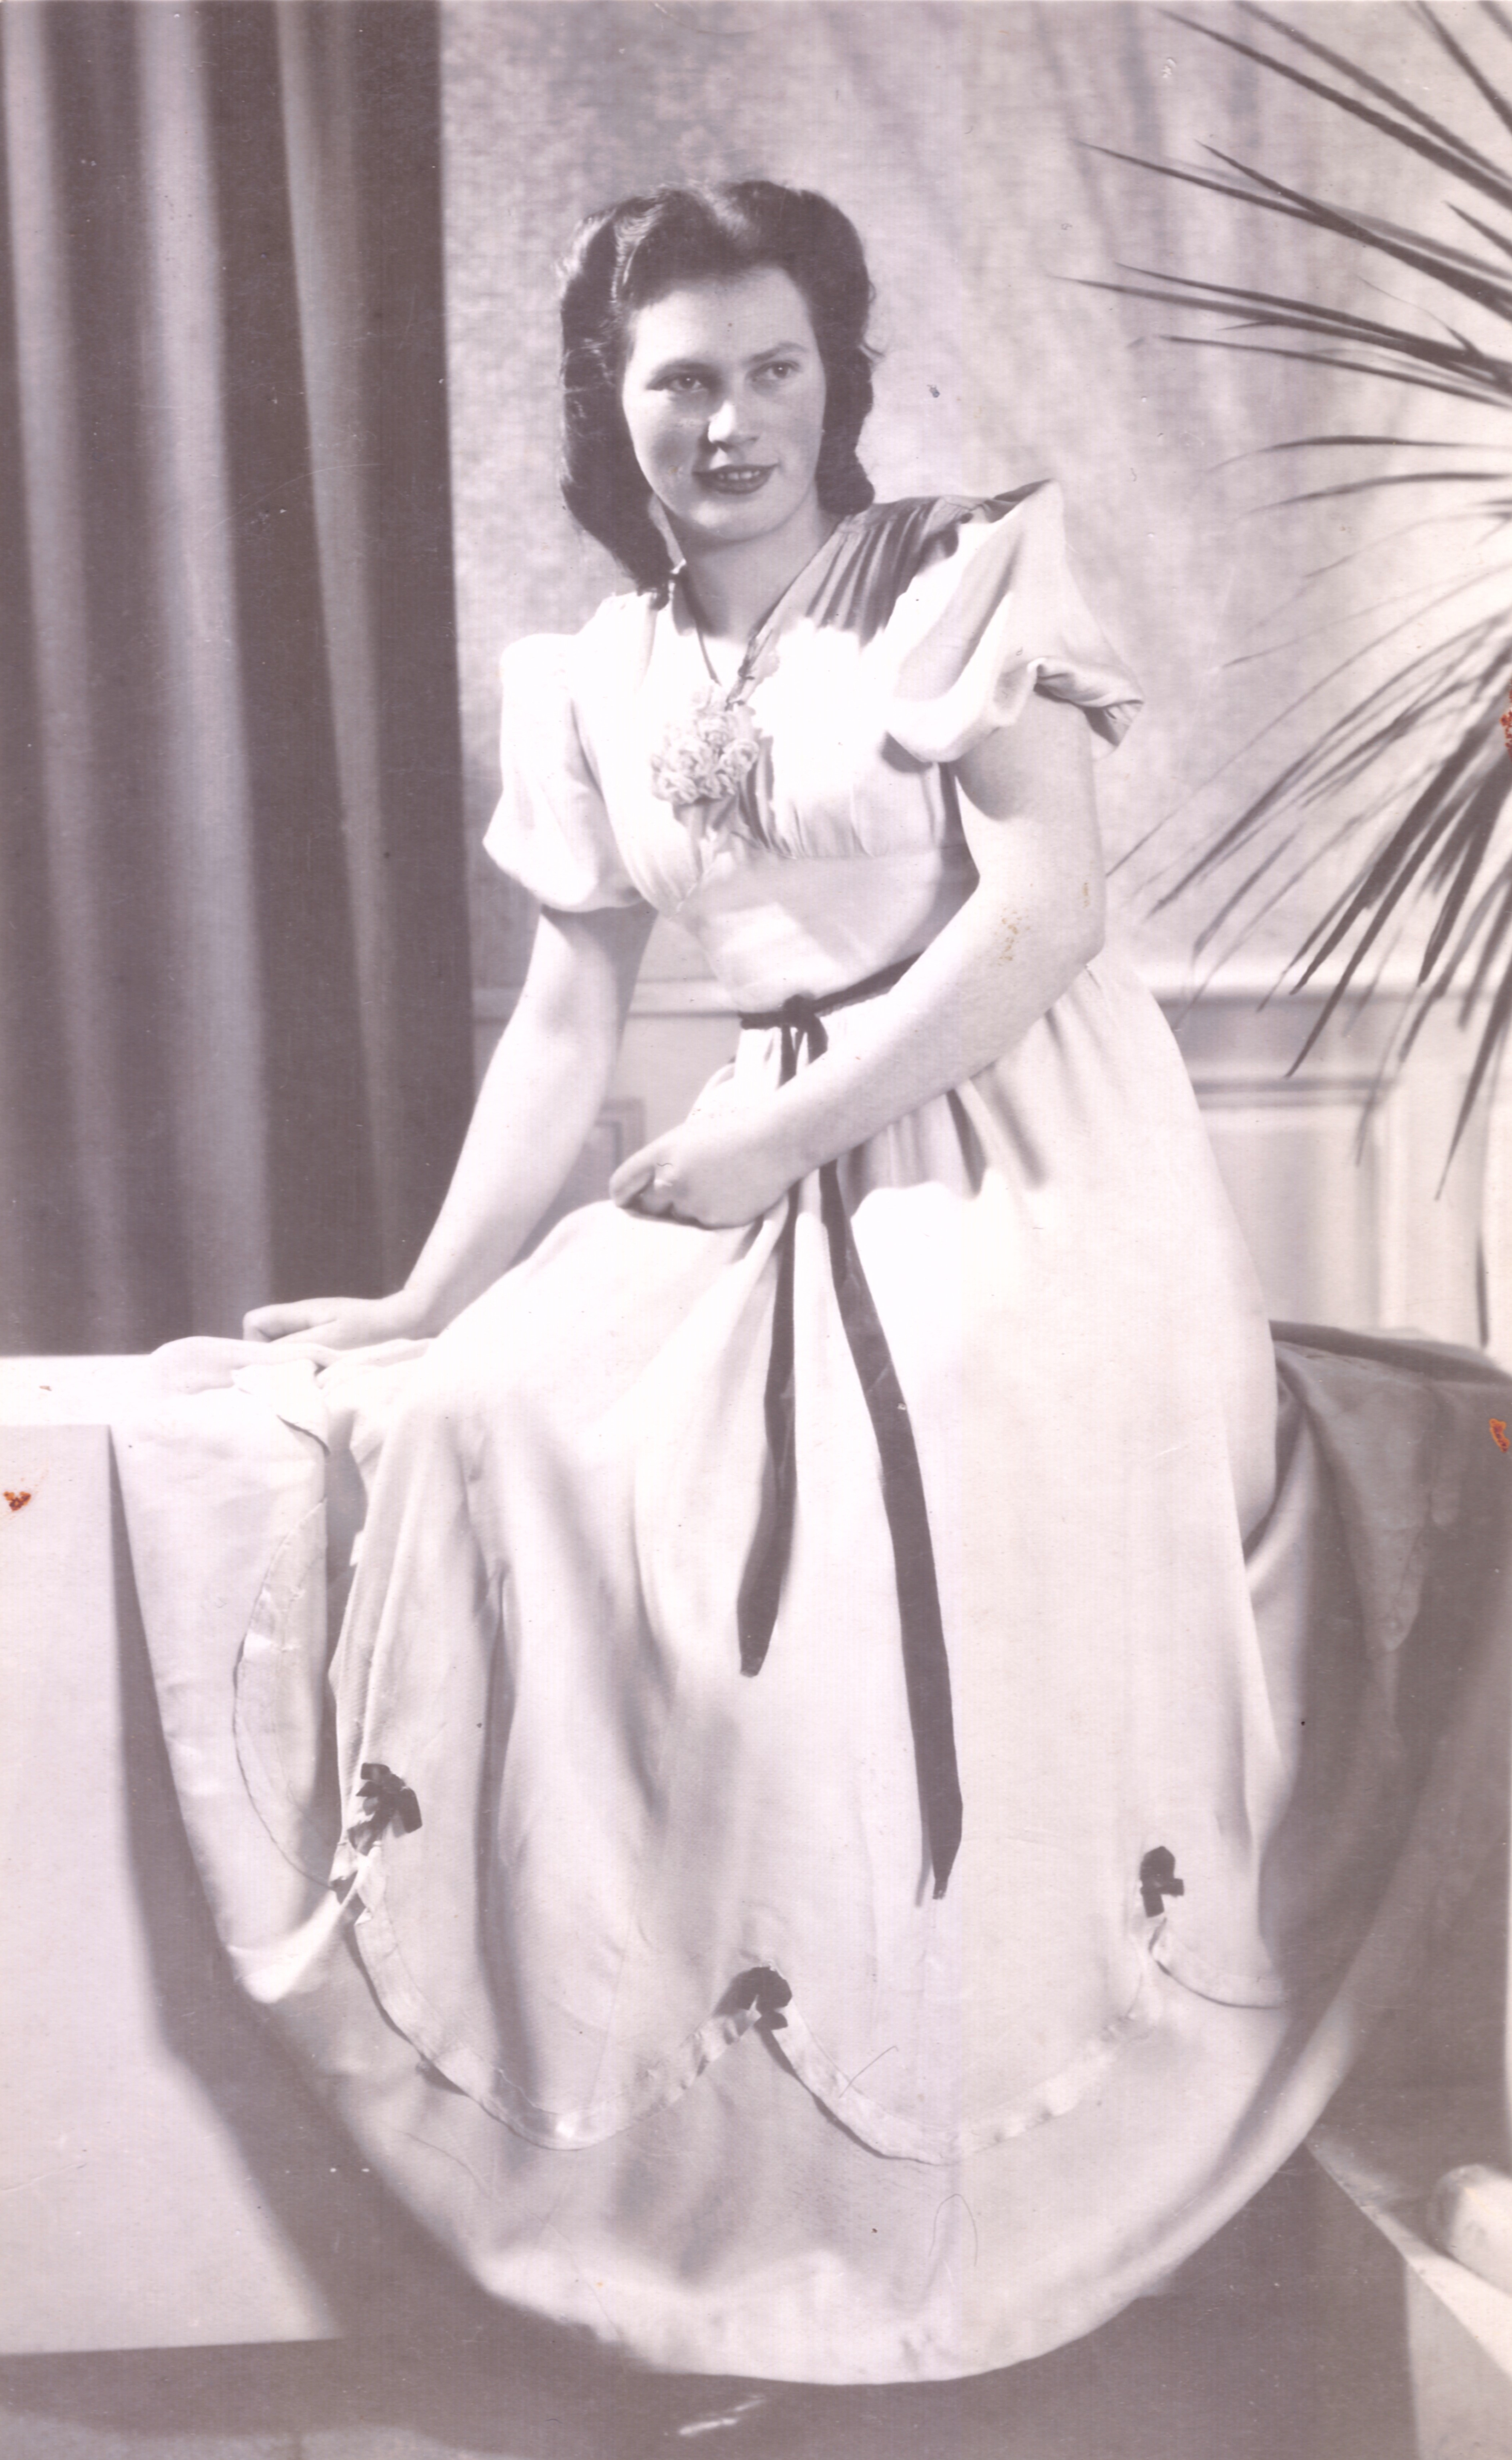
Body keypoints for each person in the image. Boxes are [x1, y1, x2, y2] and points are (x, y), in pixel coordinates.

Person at [124, 180, 1506, 2401]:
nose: (733, 422)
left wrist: (779, 1142)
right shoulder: (594, 675)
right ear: (610, 401)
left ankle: (966, 2187)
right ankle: (714, 2186)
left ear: (836, 378)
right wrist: (423, 1294)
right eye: (683, 380)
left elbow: (1041, 916)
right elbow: (565, 1022)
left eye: (776, 370)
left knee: (882, 1522)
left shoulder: (951, 577)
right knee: (498, 1441)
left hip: (1025, 1148)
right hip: (761, 1161)